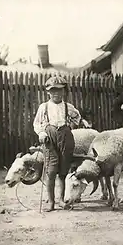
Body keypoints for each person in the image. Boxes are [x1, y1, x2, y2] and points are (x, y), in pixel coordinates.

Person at [33, 75, 82, 212]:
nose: (56, 93)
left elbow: (77, 117)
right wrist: (42, 134)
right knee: (51, 170)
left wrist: (71, 126)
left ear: (64, 91)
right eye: (53, 90)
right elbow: (37, 124)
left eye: (59, 90)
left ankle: (61, 200)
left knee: (63, 170)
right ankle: (51, 202)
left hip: (65, 138)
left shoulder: (68, 106)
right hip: (50, 139)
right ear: (48, 92)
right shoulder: (44, 107)